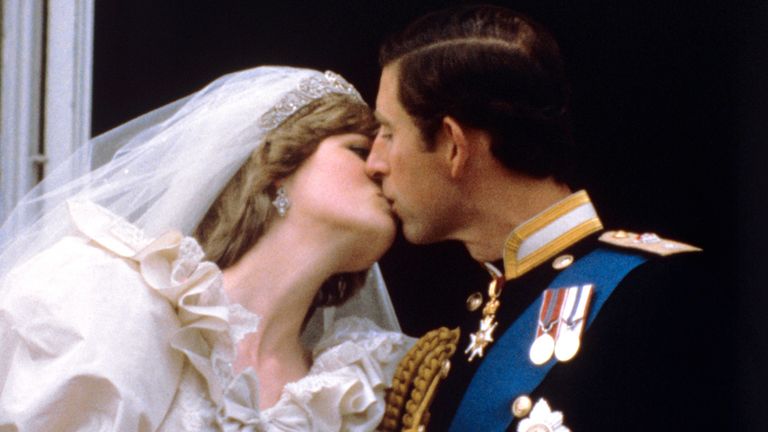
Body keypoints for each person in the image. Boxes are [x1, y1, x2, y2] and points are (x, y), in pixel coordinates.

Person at [367, 5, 725, 431]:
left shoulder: (658, 295)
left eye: (389, 133)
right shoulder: (474, 321)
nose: (374, 162)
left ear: (453, 145)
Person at [0, 66, 415, 431]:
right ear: (278, 169)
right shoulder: (117, 305)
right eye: (358, 149)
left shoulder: (355, 395)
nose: (380, 168)